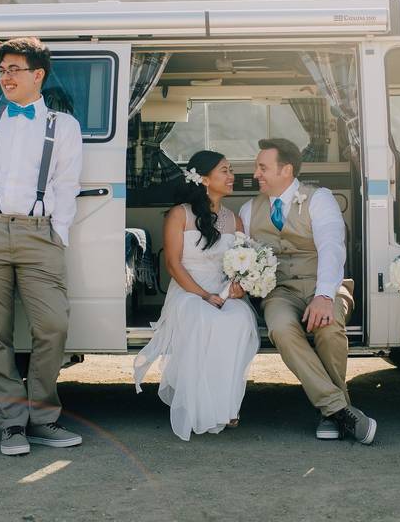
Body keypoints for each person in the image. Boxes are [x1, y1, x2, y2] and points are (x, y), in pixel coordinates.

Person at [0, 37, 84, 456]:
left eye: (14, 70)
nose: (5, 77)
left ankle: (43, 418)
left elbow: (66, 185)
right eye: (1, 70)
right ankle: (11, 425)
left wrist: (58, 233)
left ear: (37, 75)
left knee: (52, 326)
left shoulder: (64, 126)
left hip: (39, 234)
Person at [239, 138, 376, 444]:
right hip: (280, 292)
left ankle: (330, 412)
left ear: (286, 170)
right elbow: (243, 254)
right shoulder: (250, 209)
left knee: (328, 329)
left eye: (263, 167)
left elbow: (331, 248)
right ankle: (339, 409)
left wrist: (325, 296)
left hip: (324, 284)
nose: (255, 174)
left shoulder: (319, 198)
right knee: (281, 329)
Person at [133, 151, 259, 440]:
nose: (232, 177)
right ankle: (200, 406)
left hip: (222, 292)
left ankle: (227, 405)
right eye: (224, 171)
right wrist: (203, 295)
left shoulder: (234, 220)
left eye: (230, 170)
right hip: (188, 291)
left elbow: (239, 261)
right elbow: (173, 264)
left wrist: (235, 287)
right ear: (203, 179)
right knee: (203, 319)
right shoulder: (180, 214)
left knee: (239, 320)